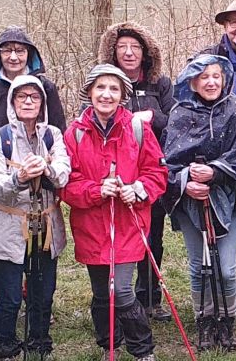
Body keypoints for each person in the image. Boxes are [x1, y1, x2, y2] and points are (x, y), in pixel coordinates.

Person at [61, 65, 167, 361]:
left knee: (120, 290)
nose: (106, 94)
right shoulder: (75, 133)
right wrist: (96, 190)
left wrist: (138, 189)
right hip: (91, 226)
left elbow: (157, 172)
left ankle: (143, 350)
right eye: (100, 88)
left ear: (122, 95)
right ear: (90, 92)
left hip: (128, 224)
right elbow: (67, 185)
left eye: (114, 89)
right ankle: (109, 342)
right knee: (101, 293)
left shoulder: (137, 128)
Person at [163, 54, 236, 351]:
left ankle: (227, 321)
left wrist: (217, 172)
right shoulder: (179, 113)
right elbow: (166, 162)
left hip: (227, 199)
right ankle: (204, 321)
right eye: (204, 76)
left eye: (216, 76)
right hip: (190, 201)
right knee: (199, 267)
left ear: (225, 79)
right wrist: (186, 182)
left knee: (227, 268)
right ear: (192, 81)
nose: (210, 82)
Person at [0, 75, 72, 360]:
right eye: (22, 96)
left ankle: (39, 341)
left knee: (43, 292)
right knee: (9, 295)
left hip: (44, 225)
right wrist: (19, 177)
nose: (28, 101)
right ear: (12, 102)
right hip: (8, 226)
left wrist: (46, 168)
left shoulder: (52, 135)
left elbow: (65, 172)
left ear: (43, 102)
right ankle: (5, 344)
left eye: (34, 96)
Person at [98, 21, 177, 320]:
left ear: (145, 53)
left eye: (135, 48)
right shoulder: (107, 83)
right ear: (113, 52)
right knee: (116, 237)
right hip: (114, 171)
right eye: (122, 48)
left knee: (152, 237)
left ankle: (149, 297)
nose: (129, 53)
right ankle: (117, 298)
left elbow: (174, 120)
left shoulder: (160, 84)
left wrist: (149, 116)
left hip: (149, 170)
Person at [0, 26, 67, 166]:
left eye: (20, 51)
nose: (13, 57)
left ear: (30, 54)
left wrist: (52, 167)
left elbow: (58, 130)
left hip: (42, 169)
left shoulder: (45, 87)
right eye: (7, 50)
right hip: (0, 170)